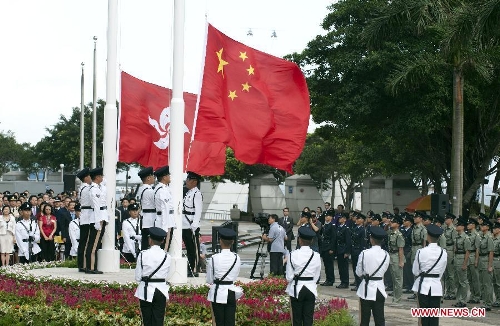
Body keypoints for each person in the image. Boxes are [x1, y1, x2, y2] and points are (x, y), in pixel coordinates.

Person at [135, 227, 171, 326]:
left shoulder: (143, 254)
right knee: (158, 321)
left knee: (146, 321)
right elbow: (168, 275)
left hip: (146, 289)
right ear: (163, 241)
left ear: (150, 239)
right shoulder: (167, 256)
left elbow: (138, 277)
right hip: (161, 290)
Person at [412, 224, 447, 326]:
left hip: (423, 286)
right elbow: (442, 271)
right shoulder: (443, 252)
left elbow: (415, 271)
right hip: (436, 286)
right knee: (434, 317)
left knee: (423, 317)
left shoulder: (421, 251)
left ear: (427, 236)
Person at [207, 228, 243, 326]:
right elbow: (235, 275)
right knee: (230, 322)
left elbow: (210, 279)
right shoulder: (236, 257)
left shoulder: (214, 258)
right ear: (233, 242)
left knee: (219, 322)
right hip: (231, 291)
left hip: (218, 292)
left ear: (220, 241)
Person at [286, 227, 321, 326]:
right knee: (308, 319)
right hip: (310, 288)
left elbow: (289, 277)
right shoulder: (316, 255)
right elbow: (317, 276)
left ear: (299, 239)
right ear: (312, 240)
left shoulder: (292, 254)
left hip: (297, 288)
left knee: (296, 319)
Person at [356, 226, 390, 326]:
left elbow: (358, 272)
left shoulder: (364, 253)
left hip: (366, 288)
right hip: (379, 288)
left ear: (371, 239)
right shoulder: (386, 254)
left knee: (364, 320)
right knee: (380, 319)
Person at [85, 167, 106, 274]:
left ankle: (92, 266)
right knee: (93, 244)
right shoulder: (94, 189)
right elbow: (97, 206)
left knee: (95, 243)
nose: (103, 177)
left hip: (100, 216)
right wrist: (98, 222)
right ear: (97, 177)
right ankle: (91, 267)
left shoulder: (98, 187)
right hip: (97, 218)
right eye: (101, 176)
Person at [182, 171, 203, 277]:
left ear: (194, 181)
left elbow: (198, 211)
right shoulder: (188, 192)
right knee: (188, 248)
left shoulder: (196, 193)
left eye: (188, 180)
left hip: (191, 225)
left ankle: (194, 269)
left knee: (194, 249)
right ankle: (189, 268)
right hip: (184, 224)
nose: (186, 181)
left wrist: (195, 225)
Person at [153, 165, 175, 251]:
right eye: (168, 175)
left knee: (163, 248)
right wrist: (165, 227)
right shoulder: (162, 190)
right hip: (165, 222)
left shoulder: (162, 188)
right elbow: (165, 209)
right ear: (164, 177)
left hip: (163, 220)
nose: (170, 177)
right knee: (164, 248)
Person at [452, 216, 470, 308]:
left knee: (463, 281)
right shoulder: (456, 237)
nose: (457, 226)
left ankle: (463, 300)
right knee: (457, 281)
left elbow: (467, 251)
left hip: (462, 258)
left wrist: (465, 264)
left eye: (459, 225)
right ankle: (458, 299)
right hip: (456, 259)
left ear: (463, 227)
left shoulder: (465, 238)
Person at [408, 211, 427, 300]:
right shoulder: (414, 228)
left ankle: (420, 291)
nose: (415, 219)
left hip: (419, 248)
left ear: (420, 219)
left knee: (420, 271)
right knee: (414, 271)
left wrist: (423, 252)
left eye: (416, 217)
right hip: (414, 249)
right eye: (414, 217)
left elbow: (424, 242)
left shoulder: (423, 229)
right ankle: (415, 292)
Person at [137, 167, 156, 251]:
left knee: (145, 242)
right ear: (148, 178)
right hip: (150, 219)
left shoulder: (141, 189)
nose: (154, 178)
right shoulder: (149, 191)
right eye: (153, 176)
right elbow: (156, 204)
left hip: (144, 218)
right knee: (150, 243)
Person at [77, 167, 92, 272]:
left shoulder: (82, 187)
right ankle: (84, 264)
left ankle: (82, 264)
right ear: (86, 177)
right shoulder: (87, 188)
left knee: (83, 241)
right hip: (87, 215)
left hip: (85, 215)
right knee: (86, 241)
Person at [387, 215, 405, 303]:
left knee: (398, 278)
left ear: (398, 224)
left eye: (393, 222)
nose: (391, 223)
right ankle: (395, 296)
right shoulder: (391, 233)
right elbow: (384, 230)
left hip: (397, 256)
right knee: (394, 278)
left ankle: (398, 298)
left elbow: (401, 249)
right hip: (391, 255)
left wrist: (401, 261)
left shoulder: (399, 235)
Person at [478, 218, 494, 311]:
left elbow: (491, 252)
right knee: (483, 283)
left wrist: (490, 265)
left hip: (486, 260)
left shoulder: (489, 237)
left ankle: (488, 303)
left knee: (487, 284)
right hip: (481, 260)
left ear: (487, 227)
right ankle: (485, 301)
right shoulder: (482, 237)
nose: (482, 227)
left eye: (483, 225)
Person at [466, 217, 482, 304]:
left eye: (469, 224)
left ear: (474, 225)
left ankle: (477, 296)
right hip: (468, 257)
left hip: (473, 256)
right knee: (470, 278)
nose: (468, 225)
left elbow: (477, 249)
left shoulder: (476, 235)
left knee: (475, 278)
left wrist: (476, 260)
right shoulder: (468, 235)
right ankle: (472, 295)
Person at [320, 211, 336, 286]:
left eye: (328, 216)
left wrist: (332, 248)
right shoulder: (325, 225)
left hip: (329, 246)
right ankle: (328, 279)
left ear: (331, 217)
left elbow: (333, 238)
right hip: (324, 247)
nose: (326, 217)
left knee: (329, 265)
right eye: (326, 216)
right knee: (326, 265)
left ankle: (331, 280)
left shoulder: (332, 225)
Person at [350, 212, 366, 291]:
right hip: (354, 250)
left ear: (362, 220)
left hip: (359, 250)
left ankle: (360, 284)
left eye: (358, 219)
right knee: (354, 268)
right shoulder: (355, 228)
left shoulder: (363, 230)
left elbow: (362, 242)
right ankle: (357, 282)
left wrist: (361, 252)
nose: (356, 220)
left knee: (359, 268)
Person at [335, 213, 351, 288]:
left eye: (341, 218)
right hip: (339, 249)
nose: (339, 219)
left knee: (344, 267)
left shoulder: (346, 229)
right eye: (339, 218)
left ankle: (345, 282)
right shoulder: (338, 228)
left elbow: (348, 241)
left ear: (344, 219)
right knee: (340, 267)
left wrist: (347, 252)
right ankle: (342, 281)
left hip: (343, 249)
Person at [401, 213, 414, 294]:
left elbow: (412, 242)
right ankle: (407, 285)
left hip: (408, 250)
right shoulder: (402, 230)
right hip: (403, 250)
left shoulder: (411, 231)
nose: (404, 222)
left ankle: (411, 286)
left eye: (406, 221)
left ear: (410, 223)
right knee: (405, 270)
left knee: (409, 270)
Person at [492, 222, 500, 308]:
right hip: (493, 260)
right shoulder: (493, 239)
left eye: (495, 228)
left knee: (498, 282)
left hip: (498, 260)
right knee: (494, 282)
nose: (493, 230)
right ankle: (497, 299)